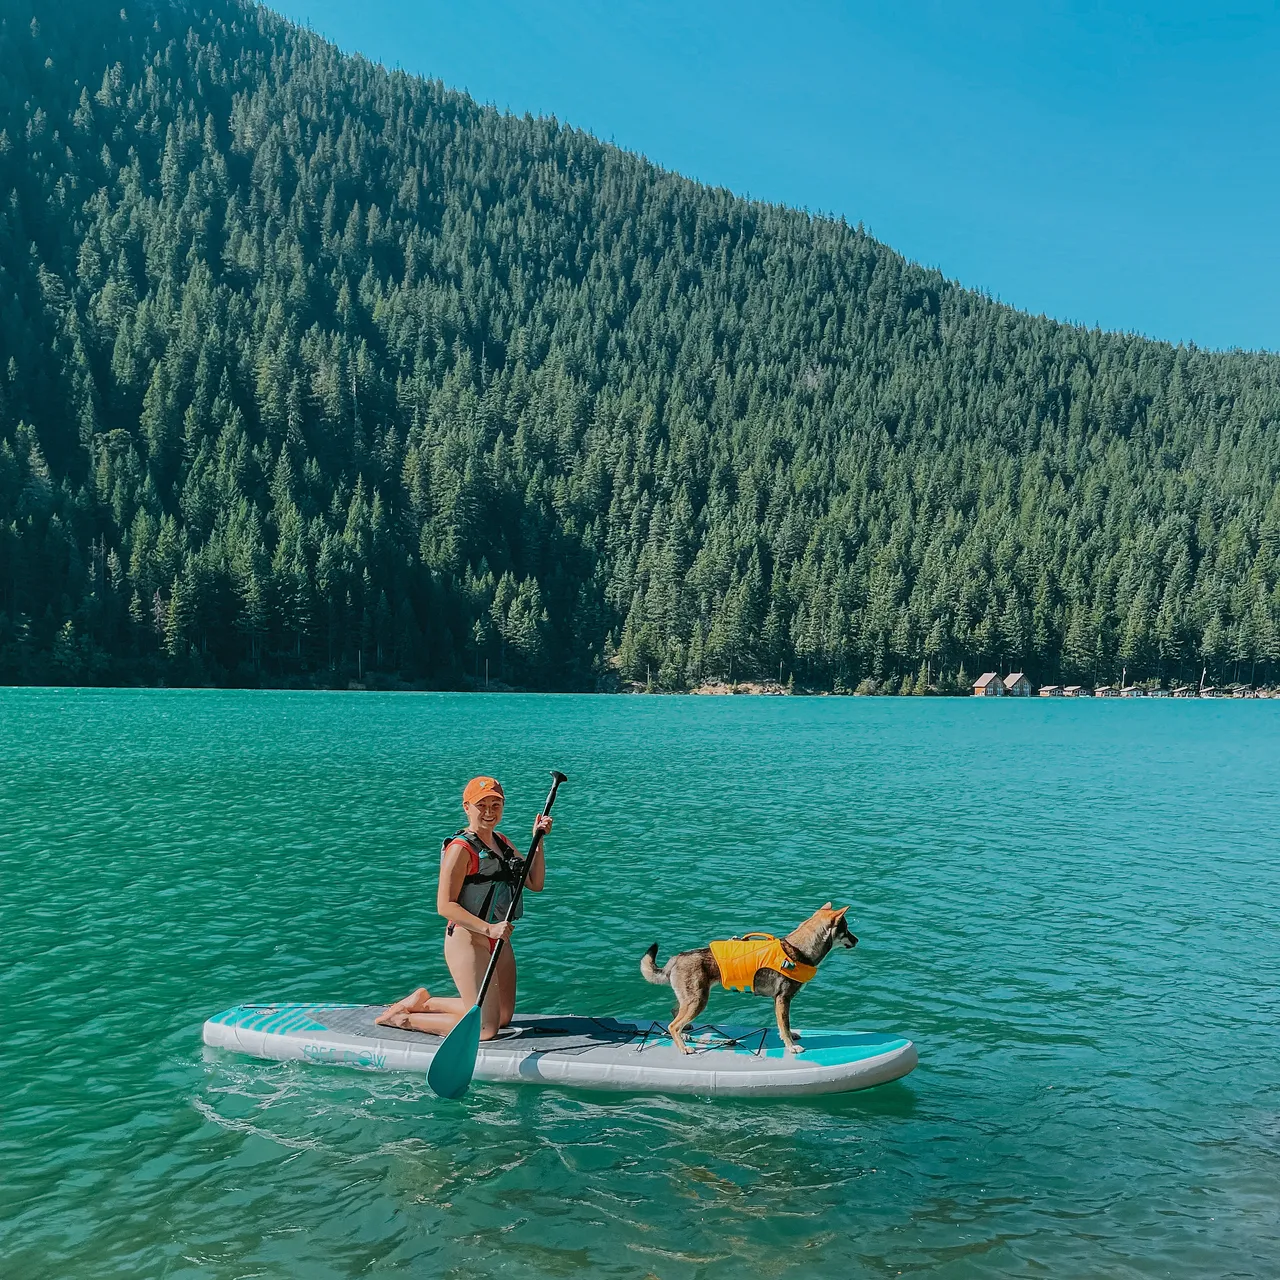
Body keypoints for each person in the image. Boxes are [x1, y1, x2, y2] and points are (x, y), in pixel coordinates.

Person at [375, 775, 551, 1040]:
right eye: (482, 805)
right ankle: (405, 1018)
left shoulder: (501, 842)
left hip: (497, 939)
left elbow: (535, 883)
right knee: (486, 1028)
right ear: (467, 807)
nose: (489, 812)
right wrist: (489, 928)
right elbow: (444, 906)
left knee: (503, 1016)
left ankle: (426, 1002)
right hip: (467, 939)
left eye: (496, 805)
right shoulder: (461, 849)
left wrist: (538, 841)